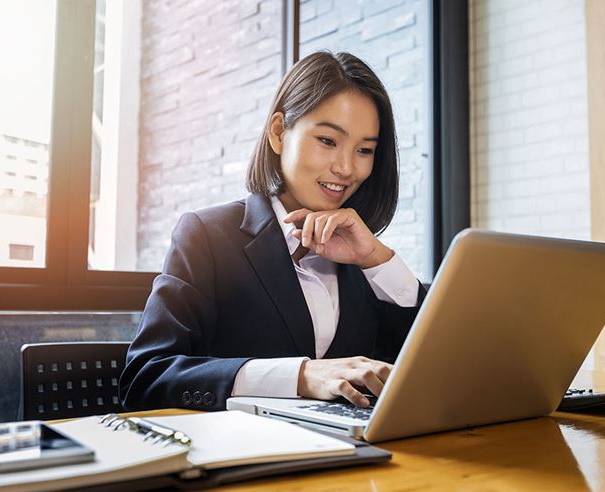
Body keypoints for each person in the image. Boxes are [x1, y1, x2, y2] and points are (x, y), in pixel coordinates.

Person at [120, 51, 426, 412]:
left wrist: (376, 259)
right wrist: (300, 376)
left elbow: (427, 369)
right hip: (242, 458)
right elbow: (145, 378)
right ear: (279, 133)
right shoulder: (208, 236)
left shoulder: (366, 263)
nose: (346, 168)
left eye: (364, 150)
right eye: (328, 141)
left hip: (352, 459)